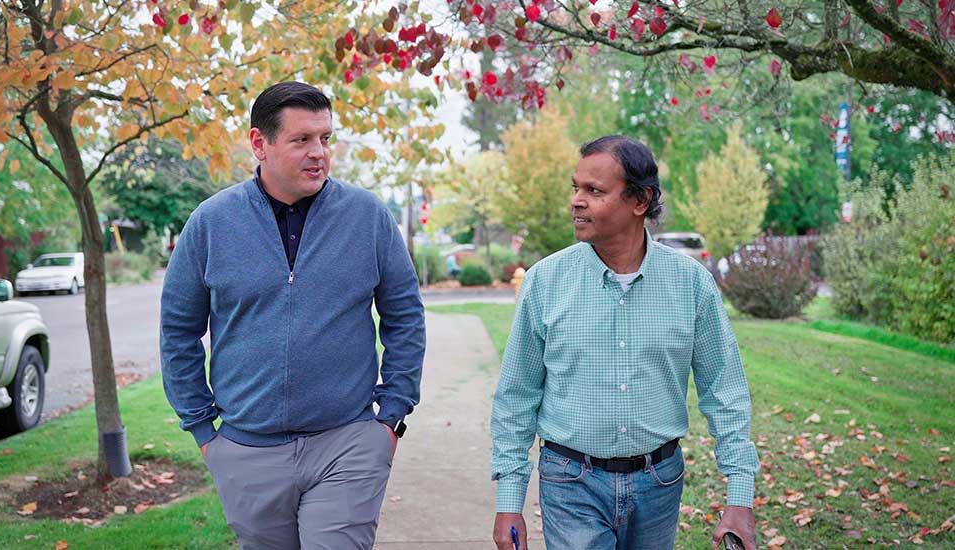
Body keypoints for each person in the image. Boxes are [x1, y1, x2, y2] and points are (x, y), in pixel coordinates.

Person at [161, 81, 425, 550]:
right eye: (301, 139)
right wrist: (205, 432)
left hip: (347, 443)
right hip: (247, 450)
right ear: (260, 143)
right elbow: (179, 331)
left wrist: (390, 418)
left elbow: (404, 315)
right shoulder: (210, 223)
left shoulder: (367, 217)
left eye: (325, 138)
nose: (318, 153)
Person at [489, 135, 759, 550]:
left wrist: (739, 496)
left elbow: (725, 390)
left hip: (660, 482)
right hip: (570, 481)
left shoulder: (691, 284)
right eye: (575, 188)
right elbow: (516, 395)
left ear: (640, 200)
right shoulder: (545, 282)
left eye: (594, 191)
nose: (576, 201)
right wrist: (509, 500)